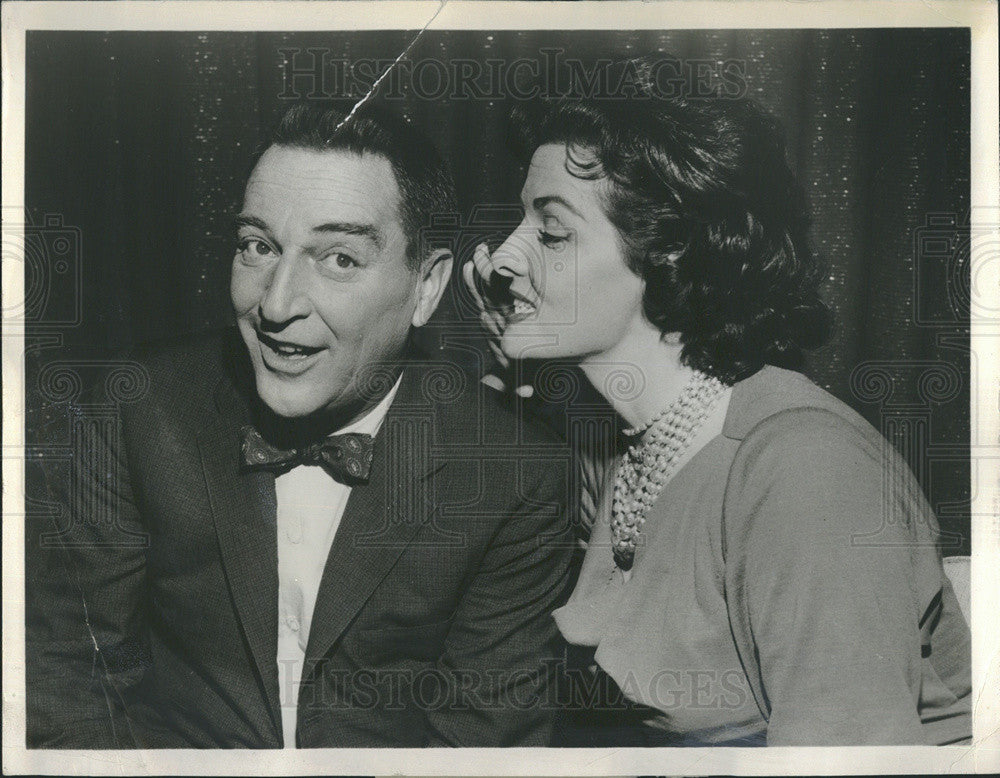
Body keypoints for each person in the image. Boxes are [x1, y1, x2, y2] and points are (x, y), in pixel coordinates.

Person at [26, 102, 575, 748]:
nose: (277, 304)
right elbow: (67, 682)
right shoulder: (138, 407)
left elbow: (481, 750)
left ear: (426, 289)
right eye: (257, 247)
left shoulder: (513, 473)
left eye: (338, 258)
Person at [465, 73, 972, 746]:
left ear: (669, 247)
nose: (503, 256)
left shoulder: (805, 472)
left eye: (552, 233)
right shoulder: (634, 451)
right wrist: (522, 371)